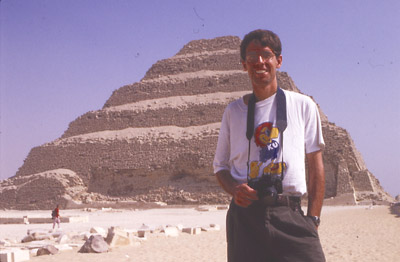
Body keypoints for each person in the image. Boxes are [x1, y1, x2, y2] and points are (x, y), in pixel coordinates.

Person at [213, 29, 326, 262]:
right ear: (244, 64)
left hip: (290, 214)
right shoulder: (233, 112)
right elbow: (220, 167)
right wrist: (234, 188)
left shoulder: (303, 106)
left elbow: (315, 167)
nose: (260, 62)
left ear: (279, 61)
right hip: (245, 220)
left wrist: (313, 219)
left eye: (266, 55)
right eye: (252, 57)